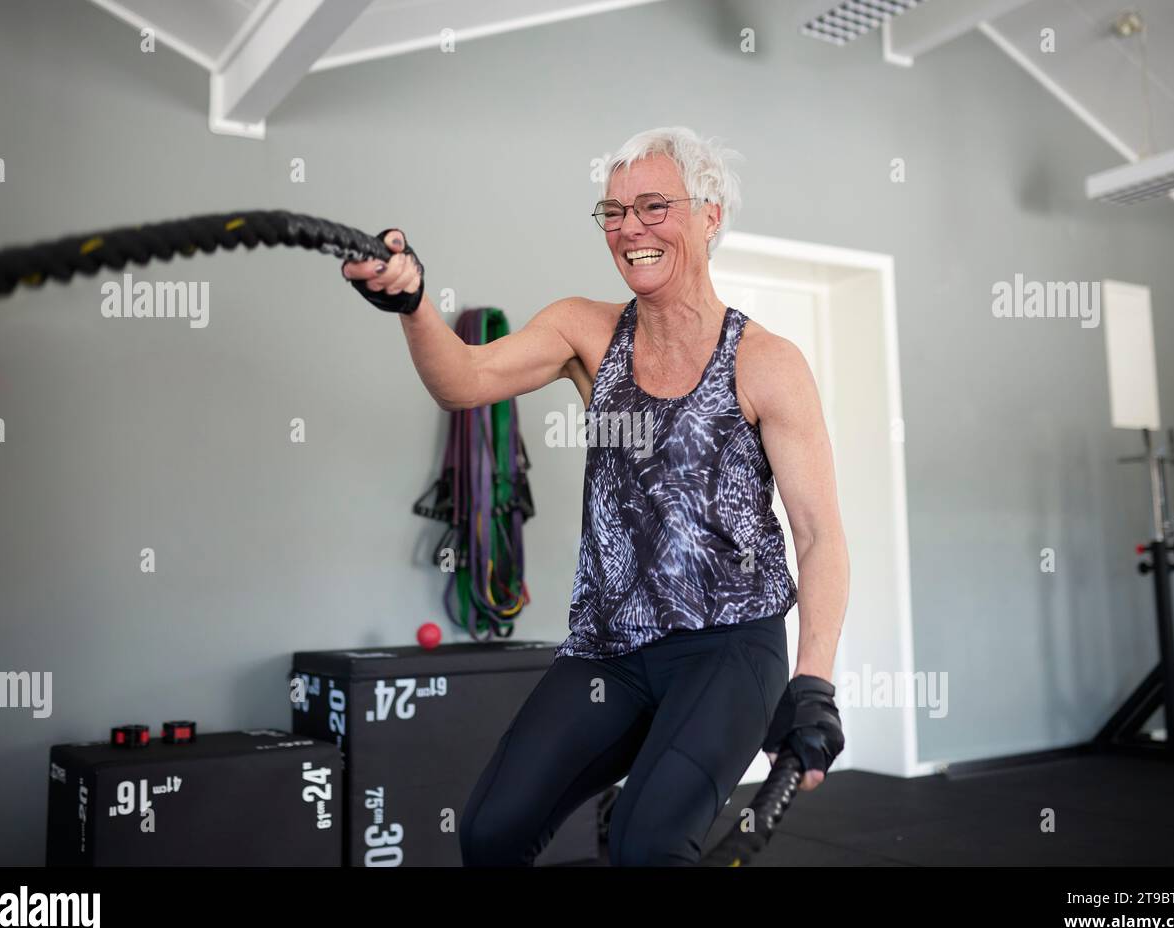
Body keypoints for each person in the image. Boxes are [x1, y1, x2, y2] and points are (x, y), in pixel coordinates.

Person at [341, 127, 850, 866]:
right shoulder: (586, 331)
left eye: (652, 207)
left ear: (710, 216)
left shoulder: (767, 364)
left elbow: (819, 537)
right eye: (613, 213)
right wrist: (414, 303)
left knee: (646, 844)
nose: (629, 229)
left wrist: (814, 684)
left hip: (729, 646)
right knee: (490, 830)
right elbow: (464, 382)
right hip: (608, 649)